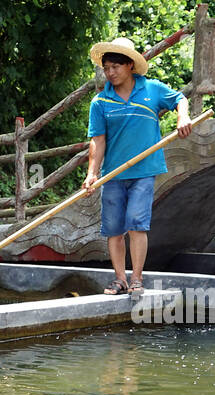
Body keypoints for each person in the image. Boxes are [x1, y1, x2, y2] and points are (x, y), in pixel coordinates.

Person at [82, 37, 191, 297]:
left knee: (136, 223)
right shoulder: (100, 102)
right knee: (114, 228)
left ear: (130, 65)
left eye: (115, 67)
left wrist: (183, 116)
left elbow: (180, 99)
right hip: (114, 174)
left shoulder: (151, 90)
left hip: (144, 170)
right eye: (106, 68)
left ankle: (137, 279)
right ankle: (120, 279)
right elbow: (97, 141)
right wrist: (91, 174)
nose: (110, 73)